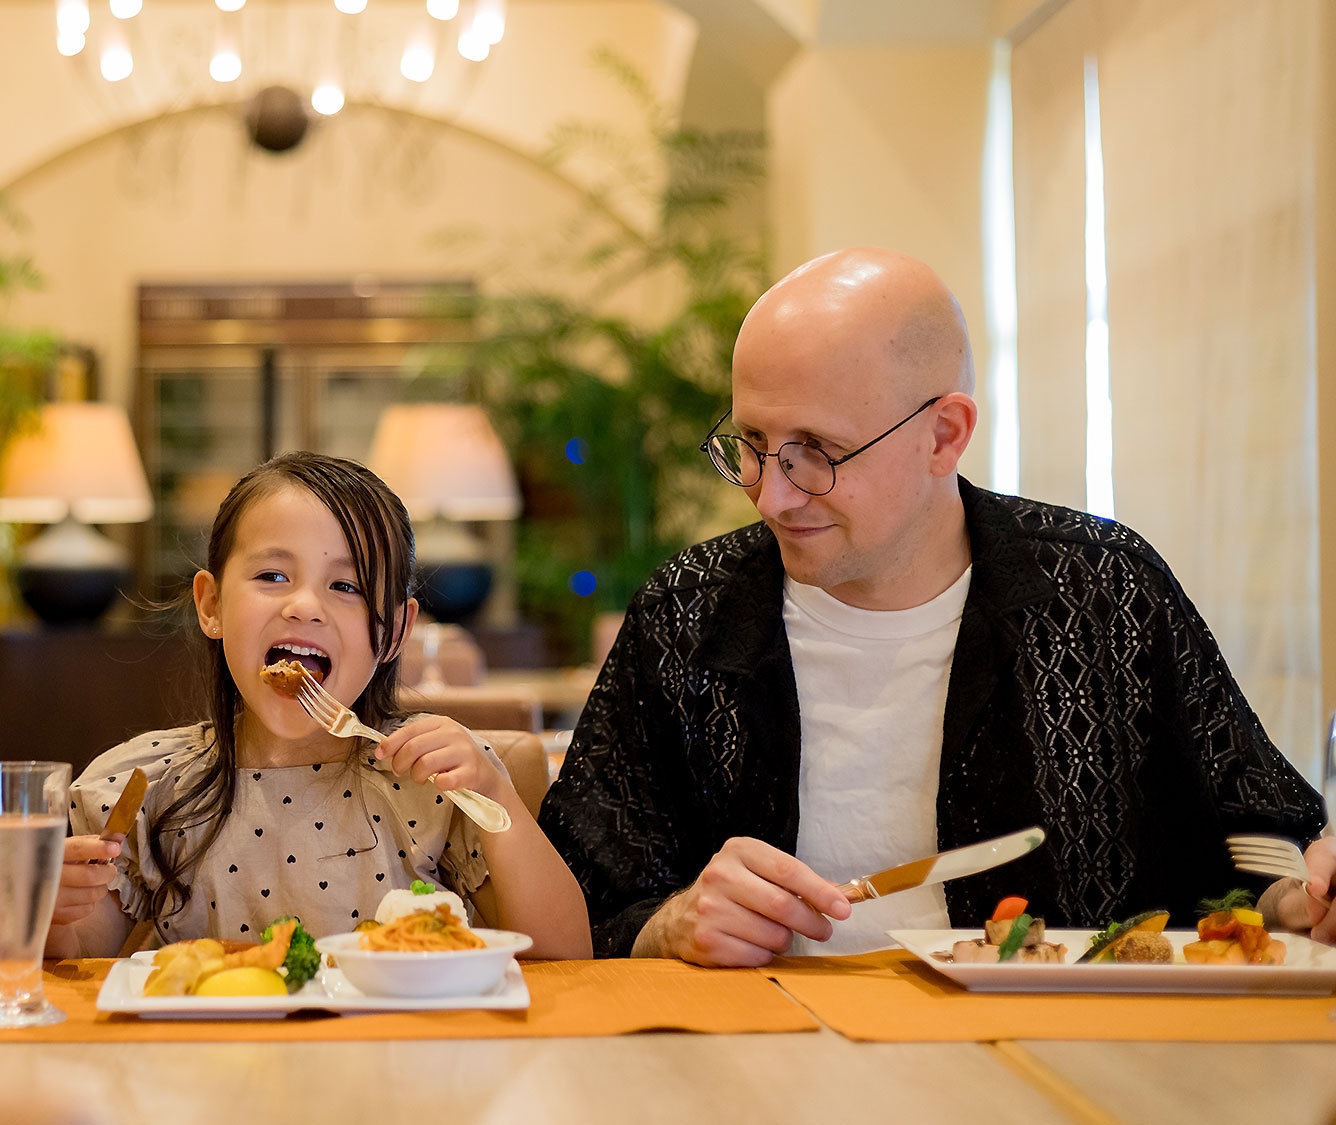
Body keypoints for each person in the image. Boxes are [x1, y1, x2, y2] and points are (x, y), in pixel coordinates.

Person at [539, 248, 1332, 965]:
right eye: (751, 442)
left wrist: (1307, 897)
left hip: (1060, 1065)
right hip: (758, 1063)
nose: (770, 493)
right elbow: (570, 900)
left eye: (816, 451)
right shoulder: (687, 616)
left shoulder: (1102, 595)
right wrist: (668, 922)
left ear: (944, 434)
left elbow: (1258, 839)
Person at [45, 452, 590, 959]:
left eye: (347, 586)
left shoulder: (435, 782)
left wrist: (497, 796)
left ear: (396, 629)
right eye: (272, 576)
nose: (304, 606)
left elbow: (565, 958)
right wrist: (55, 910)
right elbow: (77, 955)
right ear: (211, 605)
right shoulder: (150, 784)